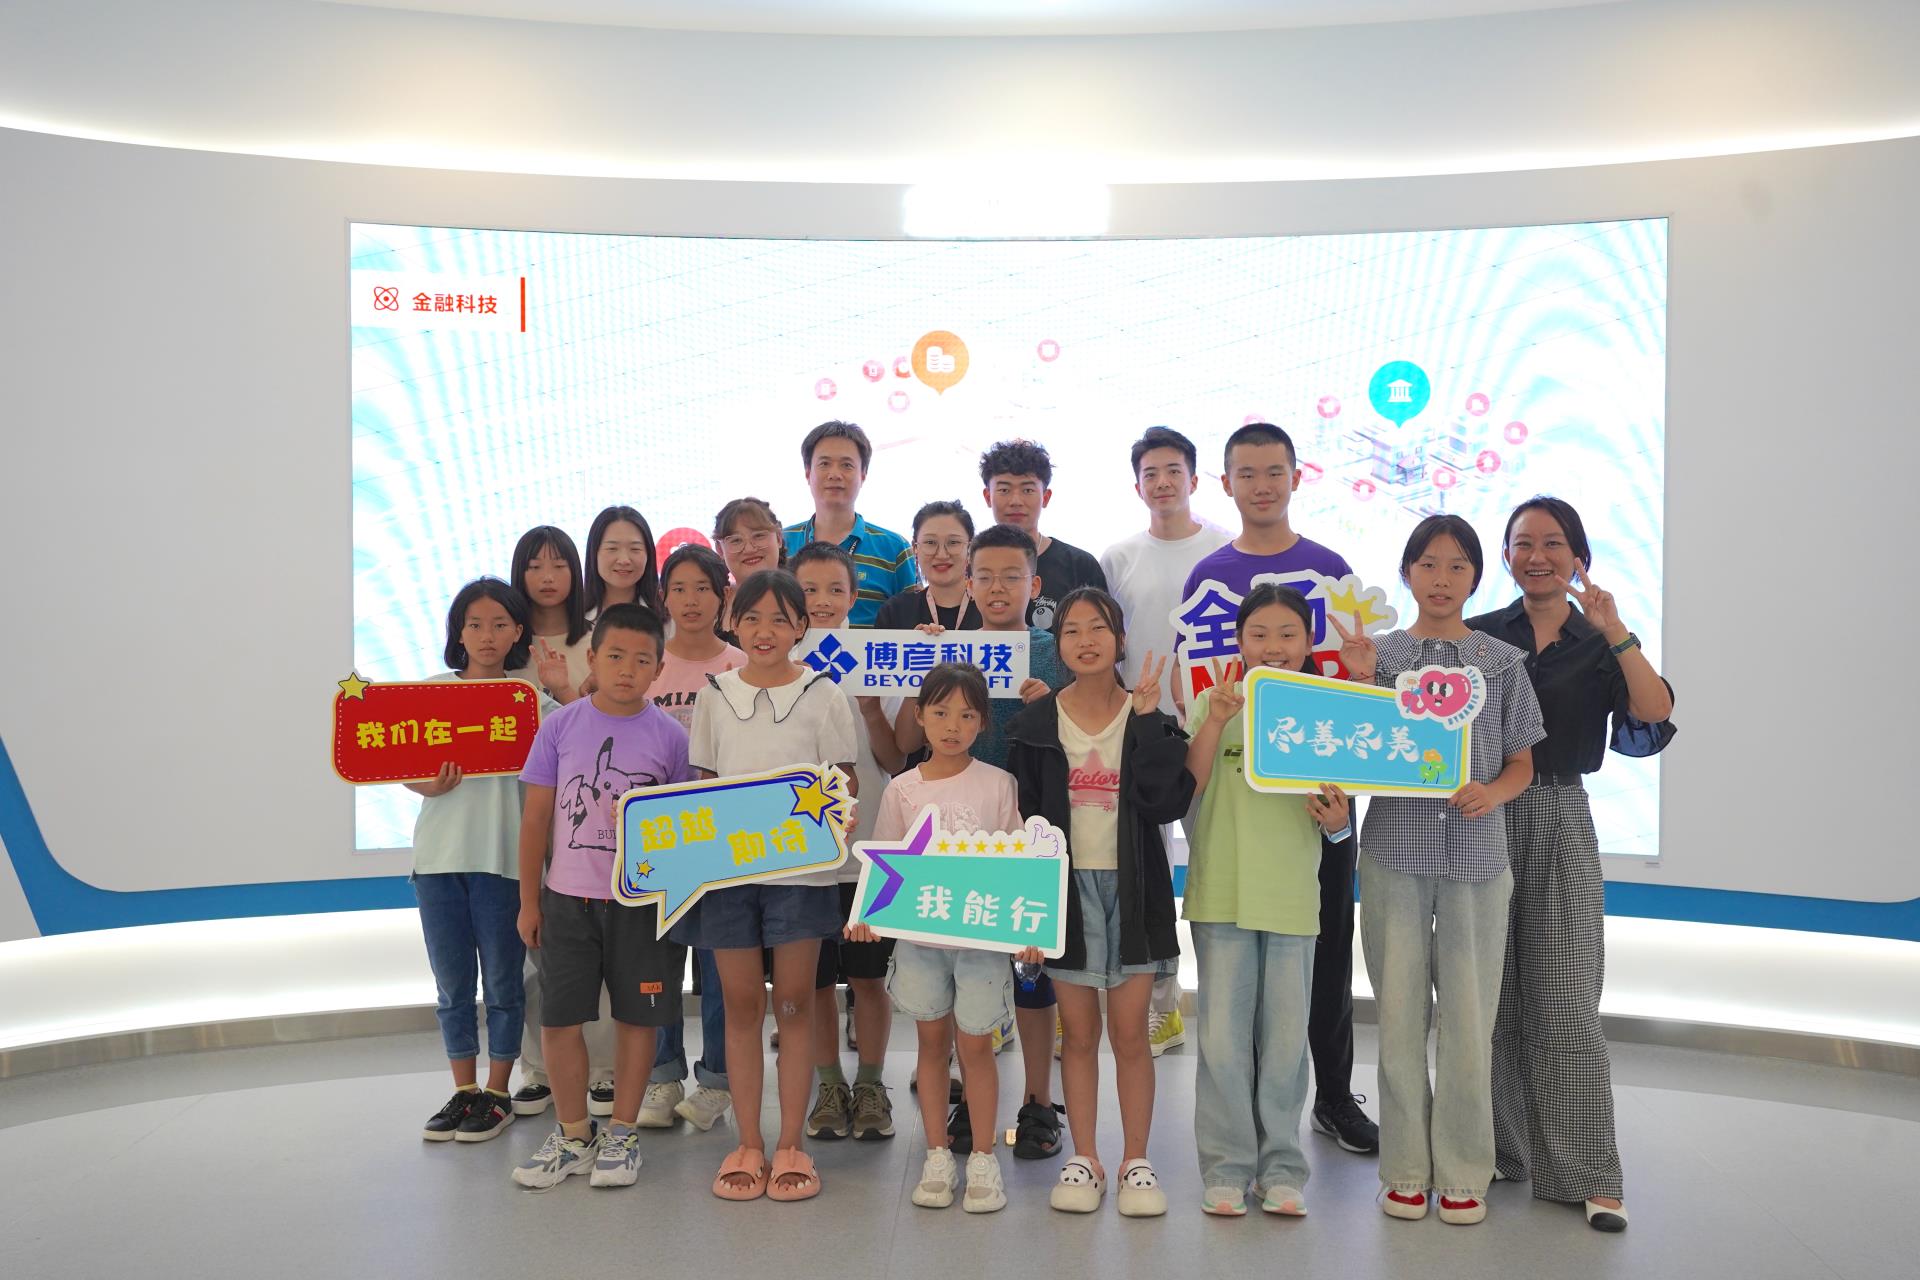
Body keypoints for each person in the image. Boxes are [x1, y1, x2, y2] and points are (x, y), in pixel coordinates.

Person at [1467, 496, 1676, 1234]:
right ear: (1505, 556)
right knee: (1486, 1000)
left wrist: (1617, 631)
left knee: (1564, 999)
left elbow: (1654, 713)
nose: (1537, 556)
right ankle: (1496, 1152)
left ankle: (1588, 1173)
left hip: (1559, 813)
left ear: (1578, 557)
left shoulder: (1599, 640)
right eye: (1523, 543)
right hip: (1480, 814)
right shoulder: (1479, 635)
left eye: (1553, 543)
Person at [1341, 515, 1546, 1225]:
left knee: (1468, 1023)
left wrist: (1493, 792)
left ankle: (1463, 1170)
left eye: (1458, 566)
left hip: (1477, 862)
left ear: (1476, 578)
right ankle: (1404, 1168)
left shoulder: (1503, 662)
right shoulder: (1383, 656)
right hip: (1393, 855)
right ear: (1406, 573)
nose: (1442, 578)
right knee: (1399, 1018)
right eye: (1428, 564)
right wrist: (1358, 680)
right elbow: (1353, 747)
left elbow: (1523, 762)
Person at [1179, 421, 1376, 1156]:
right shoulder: (1208, 575)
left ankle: (1331, 1100)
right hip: (1236, 802)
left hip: (1316, 800)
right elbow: (1201, 692)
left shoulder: (1330, 568)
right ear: (1226, 483)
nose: (1261, 485)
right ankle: (1241, 1139)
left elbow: (1350, 698)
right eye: (1247, 473)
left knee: (1321, 961)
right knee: (1237, 998)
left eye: (1274, 472)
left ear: (1297, 476)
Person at [669, 569, 861, 1202]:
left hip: (802, 877)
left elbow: (845, 781)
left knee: (797, 1003)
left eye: (780, 619)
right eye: (751, 618)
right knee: (742, 1005)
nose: (765, 631)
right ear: (733, 622)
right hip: (728, 878)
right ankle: (749, 1142)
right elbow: (703, 786)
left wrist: (835, 808)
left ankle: (792, 1145)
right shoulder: (714, 695)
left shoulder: (824, 694)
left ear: (802, 626)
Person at [1007, 588, 1193, 1217]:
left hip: (1134, 891)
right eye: (1071, 630)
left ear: (1119, 639)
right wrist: (1030, 912)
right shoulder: (1035, 725)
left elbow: (1167, 803)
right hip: (1064, 892)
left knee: (1131, 1035)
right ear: (1057, 643)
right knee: (1079, 1034)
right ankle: (1084, 1157)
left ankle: (1136, 1160)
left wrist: (1150, 720)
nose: (1085, 641)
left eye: (1098, 628)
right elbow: (1025, 823)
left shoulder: (1146, 716)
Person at [895, 522, 1069, 1161]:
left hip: (1034, 825)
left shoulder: (1054, 651)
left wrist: (1052, 703)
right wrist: (916, 663)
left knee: (1031, 970)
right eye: (985, 576)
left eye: (1011, 576)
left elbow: (1086, 730)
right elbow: (908, 736)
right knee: (967, 975)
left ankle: (1039, 1101)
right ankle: (972, 1101)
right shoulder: (948, 650)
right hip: (959, 841)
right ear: (967, 583)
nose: (998, 588)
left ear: (1034, 584)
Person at [1182, 584, 1354, 1217]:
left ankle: (1281, 1169)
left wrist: (1338, 822)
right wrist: (1217, 720)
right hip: (1222, 893)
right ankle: (1226, 1169)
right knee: (1222, 1042)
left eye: (1287, 634)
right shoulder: (1213, 703)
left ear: (1308, 643)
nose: (1273, 646)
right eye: (1258, 634)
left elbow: (1339, 815)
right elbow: (1188, 787)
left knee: (1285, 1043)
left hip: (1290, 897)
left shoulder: (1326, 711)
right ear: (1239, 642)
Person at [510, 604, 692, 1191]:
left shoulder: (672, 737)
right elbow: (535, 821)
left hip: (641, 904)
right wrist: (530, 902)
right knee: (560, 1019)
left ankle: (622, 1133)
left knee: (637, 1020)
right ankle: (572, 1136)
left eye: (642, 660)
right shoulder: (560, 726)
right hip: (566, 901)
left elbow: (686, 830)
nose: (627, 669)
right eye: (615, 656)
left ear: (658, 669)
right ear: (591, 659)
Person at [847, 662, 1031, 1213]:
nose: (953, 725)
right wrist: (866, 915)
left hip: (981, 943)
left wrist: (1029, 931)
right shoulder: (901, 789)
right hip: (921, 943)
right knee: (931, 1047)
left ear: (983, 722)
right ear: (920, 716)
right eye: (941, 712)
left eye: (967, 715)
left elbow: (1021, 867)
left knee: (976, 1047)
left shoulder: (998, 783)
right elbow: (884, 862)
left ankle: (982, 1157)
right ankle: (935, 1153)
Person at [1097, 426, 1232, 1058]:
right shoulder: (1119, 557)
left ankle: (1209, 1000)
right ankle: (1161, 1004)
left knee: (1209, 860)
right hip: (1143, 730)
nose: (1162, 483)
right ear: (1137, 486)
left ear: (1194, 480)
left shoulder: (1224, 550)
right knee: (1147, 869)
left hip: (1214, 726)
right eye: (1150, 473)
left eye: (1173, 471)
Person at [412, 578, 545, 1144]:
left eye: (499, 624)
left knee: (504, 983)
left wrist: (561, 686)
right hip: (437, 860)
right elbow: (399, 762)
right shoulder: (430, 693)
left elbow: (572, 742)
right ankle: (463, 1089)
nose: (486, 635)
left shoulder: (529, 699)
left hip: (503, 861)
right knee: (451, 986)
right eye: (474, 624)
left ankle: (497, 1092)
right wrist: (427, 785)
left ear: (517, 632)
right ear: (458, 633)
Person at [790, 540, 903, 1143]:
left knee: (867, 977)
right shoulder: (775, 662)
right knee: (813, 981)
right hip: (799, 853)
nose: (823, 600)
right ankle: (829, 1084)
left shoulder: (878, 659)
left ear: (856, 596)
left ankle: (872, 1083)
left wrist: (873, 710)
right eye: (809, 589)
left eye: (836, 589)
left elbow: (894, 760)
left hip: (867, 848)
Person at [640, 543, 746, 1132]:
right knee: (657, 963)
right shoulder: (648, 664)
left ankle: (717, 1082)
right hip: (657, 839)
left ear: (722, 595)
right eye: (678, 588)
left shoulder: (740, 664)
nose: (690, 600)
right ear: (663, 597)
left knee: (720, 969)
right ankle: (662, 1076)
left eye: (702, 588)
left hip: (722, 838)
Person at [783, 421, 916, 627]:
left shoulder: (895, 548)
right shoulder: (781, 544)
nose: (835, 474)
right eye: (824, 464)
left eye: (847, 465)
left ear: (863, 474)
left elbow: (913, 621)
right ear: (808, 473)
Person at [978, 439, 1106, 629]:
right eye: (1004, 490)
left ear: (1045, 497)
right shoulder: (970, 567)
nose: (1016, 501)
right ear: (988, 496)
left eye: (1027, 490)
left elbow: (1102, 634)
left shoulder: (1079, 565)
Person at [508, 525, 592, 706]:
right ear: (520, 573)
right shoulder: (504, 643)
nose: (547, 577)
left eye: (559, 566)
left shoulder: (599, 641)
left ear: (574, 572)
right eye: (535, 566)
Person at [874, 500, 983, 632]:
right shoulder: (894, 612)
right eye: (930, 542)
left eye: (953, 542)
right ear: (915, 548)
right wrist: (908, 642)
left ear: (970, 548)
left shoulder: (991, 609)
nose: (942, 555)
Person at [712, 496, 787, 636]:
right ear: (720, 549)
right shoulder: (711, 603)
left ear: (778, 538)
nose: (749, 549)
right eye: (736, 540)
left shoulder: (808, 594)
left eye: (759, 536)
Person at [583, 505, 662, 615]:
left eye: (635, 549)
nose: (624, 560)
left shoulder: (669, 615)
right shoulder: (575, 616)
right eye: (612, 548)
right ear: (594, 553)